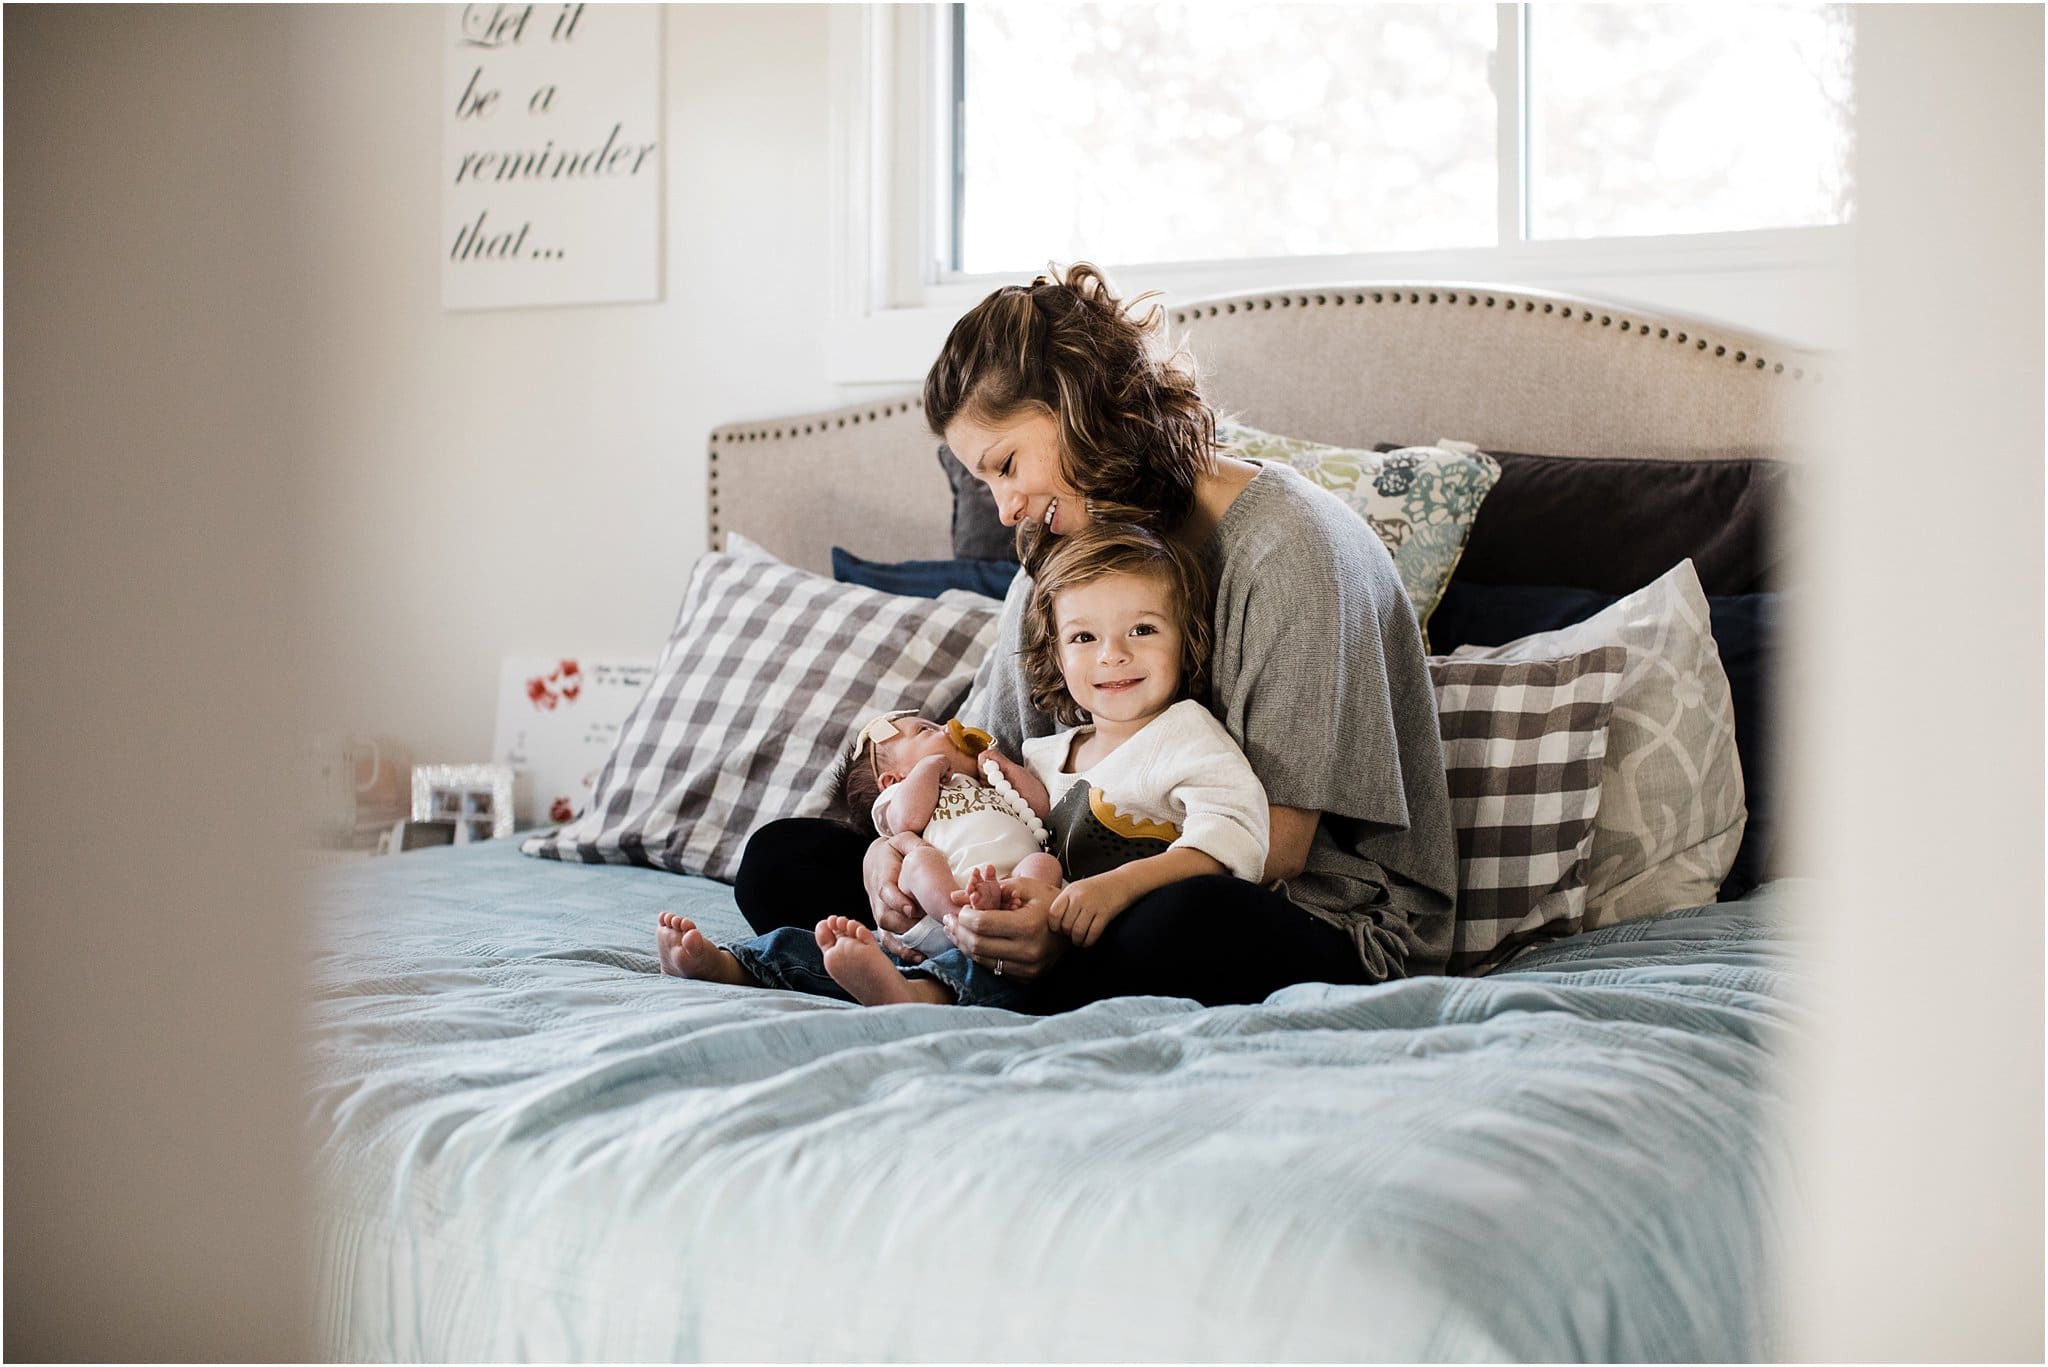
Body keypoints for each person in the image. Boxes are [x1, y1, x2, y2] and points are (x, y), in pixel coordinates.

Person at [734, 262, 1459, 1012]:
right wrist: (897, 860)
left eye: (1007, 464)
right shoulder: (1056, 556)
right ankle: (975, 957)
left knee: (1180, 925)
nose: (1007, 505)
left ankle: (980, 973)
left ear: (1076, 404)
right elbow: (981, 766)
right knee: (779, 863)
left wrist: (1064, 911)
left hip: (1303, 902)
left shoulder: (1289, 550)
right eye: (986, 481)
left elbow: (1275, 845)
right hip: (1061, 870)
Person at [659, 525, 1270, 1011]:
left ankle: (921, 989)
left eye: (1142, 629)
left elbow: (1234, 837)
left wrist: (1108, 891)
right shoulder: (1044, 756)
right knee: (799, 876)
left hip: (1104, 937)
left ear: (1185, 640)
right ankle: (748, 963)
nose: (1113, 654)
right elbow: (982, 816)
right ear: (1054, 654)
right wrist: (886, 855)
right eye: (1084, 637)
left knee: (1185, 920)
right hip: (995, 919)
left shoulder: (1186, 734)